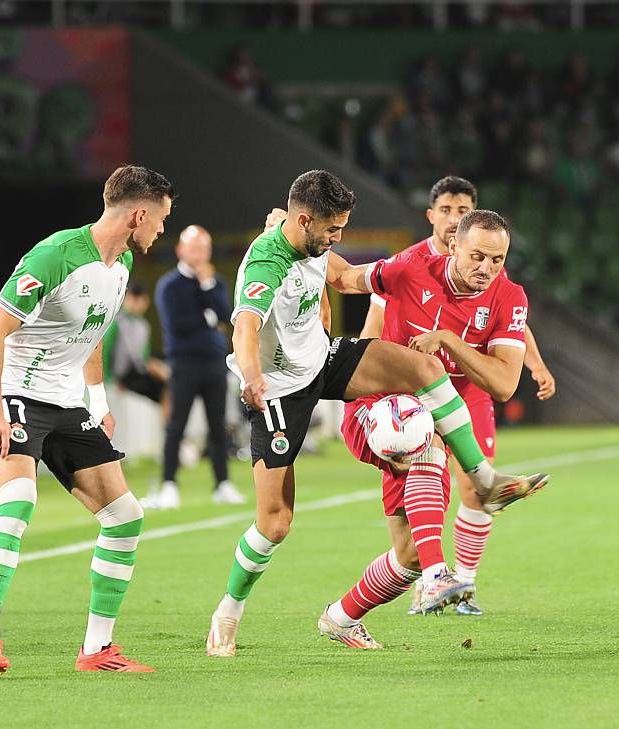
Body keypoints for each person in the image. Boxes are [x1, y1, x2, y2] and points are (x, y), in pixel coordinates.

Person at [205, 169, 547, 658]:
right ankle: (227, 614)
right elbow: (244, 325)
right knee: (275, 523)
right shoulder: (267, 262)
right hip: (279, 392)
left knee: (425, 370)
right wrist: (253, 374)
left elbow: (345, 277)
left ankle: (482, 483)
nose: (339, 238)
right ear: (305, 221)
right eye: (333, 229)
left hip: (321, 361)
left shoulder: (312, 246)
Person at [0, 165, 173, 674]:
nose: (162, 229)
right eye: (162, 219)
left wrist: (98, 404)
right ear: (138, 214)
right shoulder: (56, 254)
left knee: (126, 517)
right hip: (14, 392)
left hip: (65, 401)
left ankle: (97, 649)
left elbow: (92, 337)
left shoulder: (120, 267)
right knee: (19, 501)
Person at [320, 209, 533, 648]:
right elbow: (344, 279)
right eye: (477, 256)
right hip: (373, 407)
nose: (486, 269)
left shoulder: (508, 297)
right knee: (425, 436)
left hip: (428, 415)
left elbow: (505, 383)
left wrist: (452, 340)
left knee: (409, 555)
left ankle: (341, 617)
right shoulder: (410, 267)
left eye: (497, 260)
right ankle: (440, 576)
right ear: (453, 244)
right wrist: (290, 233)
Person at [354, 176, 555, 617]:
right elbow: (370, 318)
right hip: (405, 394)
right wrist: (358, 377)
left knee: (474, 491)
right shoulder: (407, 267)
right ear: (433, 217)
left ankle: (460, 582)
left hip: (466, 387)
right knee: (407, 543)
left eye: (462, 210)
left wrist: (534, 364)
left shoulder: (489, 272)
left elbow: (512, 328)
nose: (453, 218)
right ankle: (415, 583)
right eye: (446, 210)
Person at [144, 225, 245, 510]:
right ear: (181, 250)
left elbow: (227, 315)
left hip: (214, 362)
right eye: (194, 247)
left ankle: (223, 484)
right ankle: (168, 485)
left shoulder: (215, 282)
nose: (200, 254)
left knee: (218, 426)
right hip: (183, 364)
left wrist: (207, 288)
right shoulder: (169, 285)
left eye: (204, 248)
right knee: (176, 426)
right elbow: (179, 325)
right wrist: (209, 318)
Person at [103, 282, 170, 415]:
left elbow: (143, 356)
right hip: (122, 375)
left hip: (136, 372)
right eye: (133, 298)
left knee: (169, 382)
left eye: (142, 300)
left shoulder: (143, 325)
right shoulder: (116, 321)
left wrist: (155, 367)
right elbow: (104, 352)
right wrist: (110, 380)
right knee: (163, 386)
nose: (138, 303)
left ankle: (169, 426)